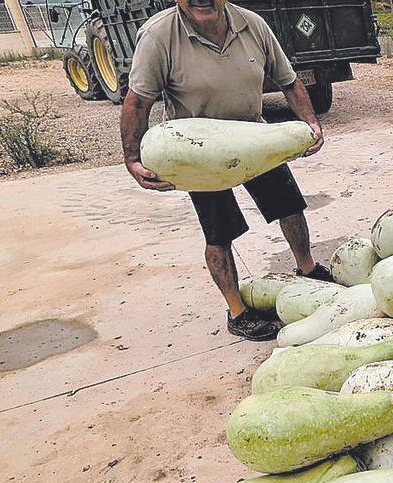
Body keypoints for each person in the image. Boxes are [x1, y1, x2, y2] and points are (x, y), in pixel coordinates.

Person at [120, 0, 331, 341]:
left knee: (290, 207)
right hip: (198, 152)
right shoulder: (158, 35)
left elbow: (289, 82)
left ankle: (308, 269)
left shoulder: (253, 25)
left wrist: (310, 123)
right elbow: (138, 101)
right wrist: (132, 158)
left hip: (254, 137)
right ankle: (238, 311)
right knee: (219, 232)